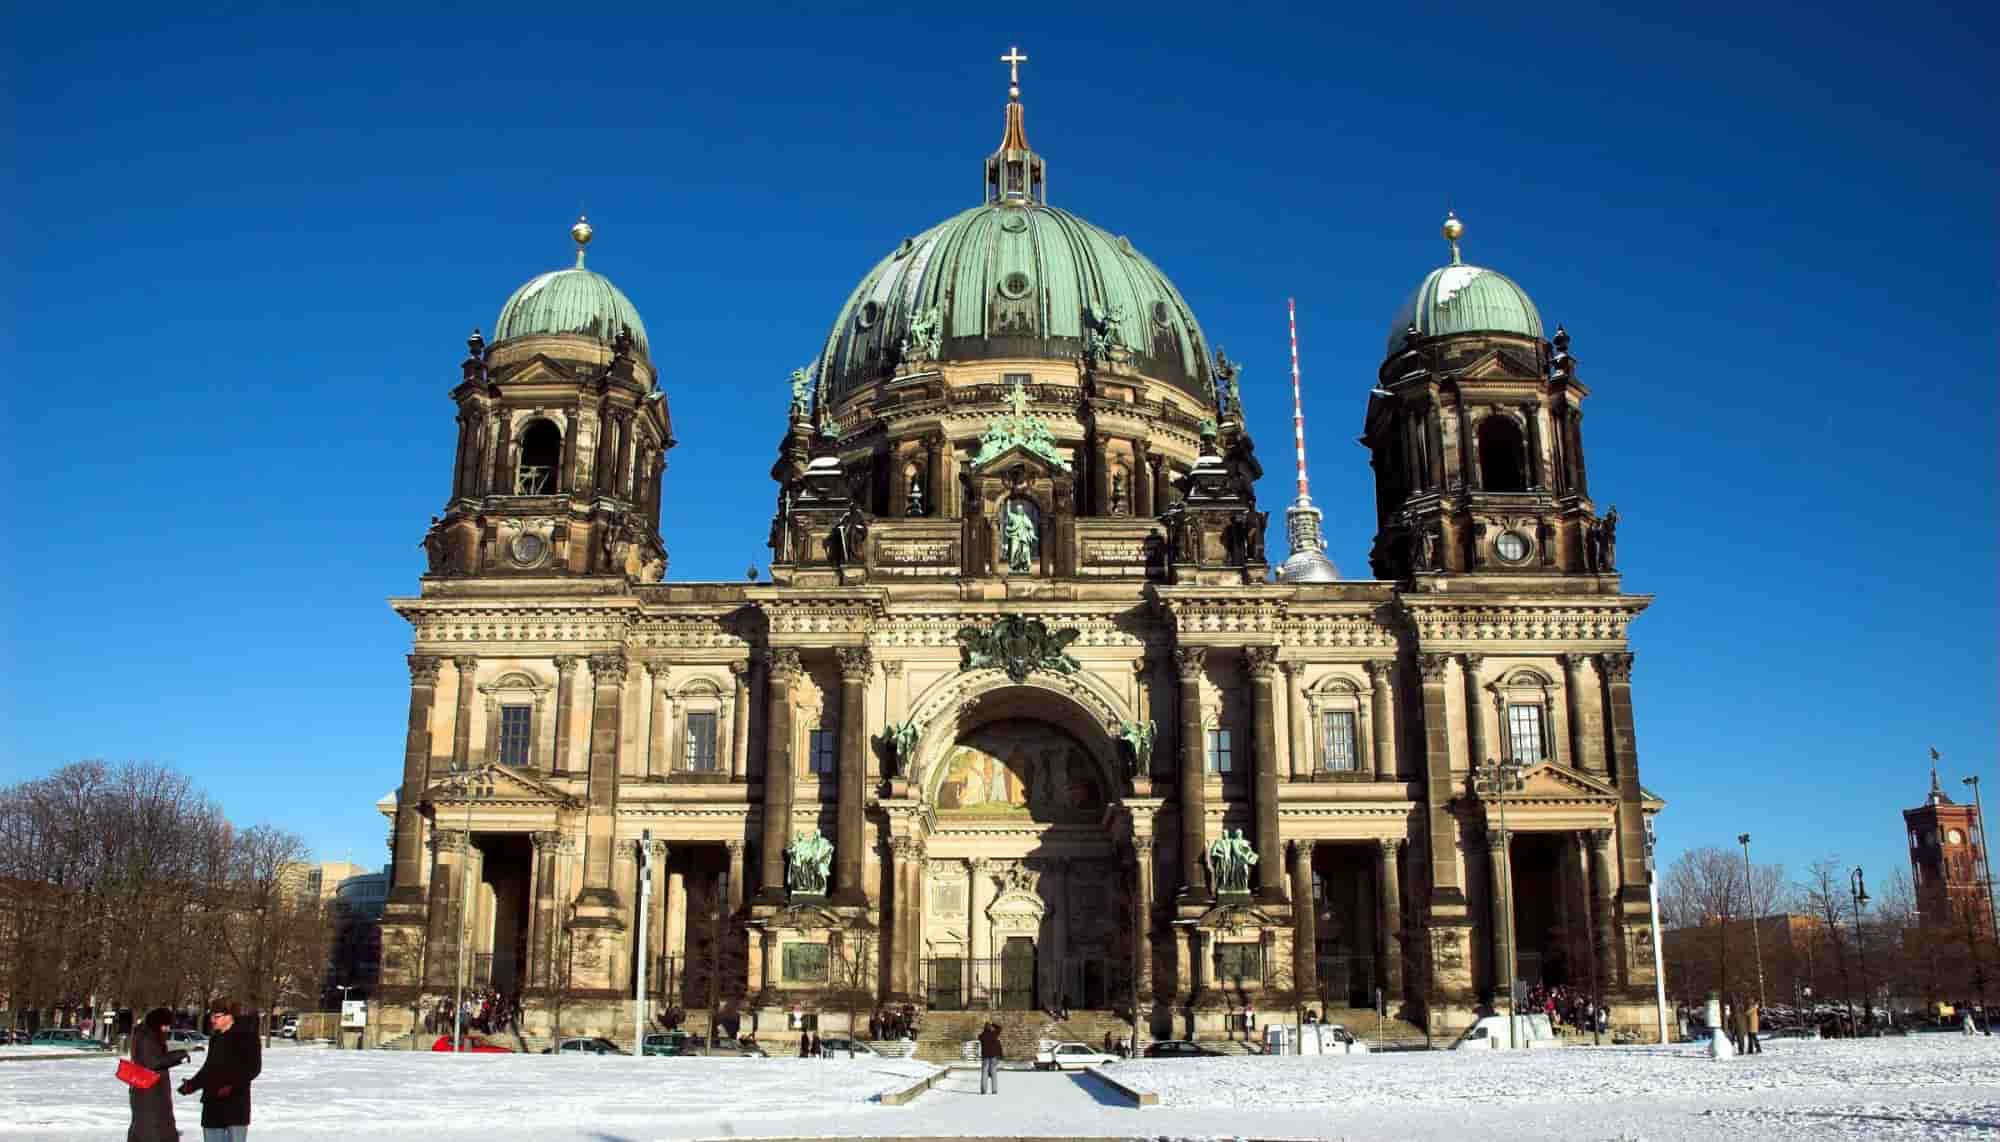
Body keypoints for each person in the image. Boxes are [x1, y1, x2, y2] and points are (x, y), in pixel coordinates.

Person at [179, 998, 261, 1142]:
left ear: (229, 1017)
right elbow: (209, 1068)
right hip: (212, 1103)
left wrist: (232, 1086)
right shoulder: (215, 1038)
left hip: (235, 1105)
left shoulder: (247, 1036)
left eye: (217, 1017)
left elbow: (253, 1068)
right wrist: (192, 1085)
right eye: (211, 1016)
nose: (212, 1020)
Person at [128, 1007, 190, 1142]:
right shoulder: (146, 1038)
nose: (167, 1029)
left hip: (151, 1095)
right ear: (157, 1024)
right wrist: (180, 1055)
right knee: (154, 1132)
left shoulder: (147, 1036)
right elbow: (154, 1061)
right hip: (150, 1097)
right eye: (165, 1026)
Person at [977, 1022, 1003, 1095]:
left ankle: (983, 1090)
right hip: (993, 1057)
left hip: (985, 1057)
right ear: (990, 1028)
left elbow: (979, 1036)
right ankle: (994, 1090)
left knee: (984, 1073)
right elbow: (1000, 1028)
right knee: (994, 1073)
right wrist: (993, 1024)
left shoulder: (982, 1036)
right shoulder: (994, 1034)